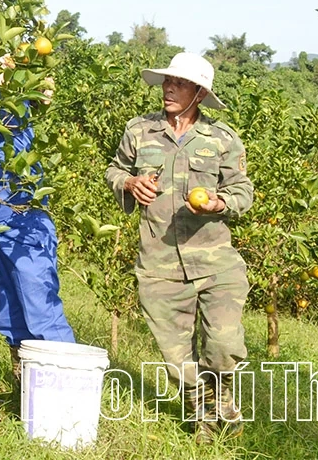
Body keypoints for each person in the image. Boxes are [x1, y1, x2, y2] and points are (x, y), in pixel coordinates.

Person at [104, 52, 253, 443]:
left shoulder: (221, 139)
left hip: (216, 260)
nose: (169, 88)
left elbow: (243, 190)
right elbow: (115, 168)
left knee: (223, 342)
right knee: (176, 358)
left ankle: (221, 393)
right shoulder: (140, 131)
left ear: (200, 94)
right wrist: (128, 184)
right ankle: (203, 420)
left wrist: (219, 203)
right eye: (167, 81)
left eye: (180, 83)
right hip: (159, 262)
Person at [0, 80, 75, 384]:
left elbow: (44, 87)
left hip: (22, 212)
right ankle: (27, 382)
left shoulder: (15, 85)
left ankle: (66, 387)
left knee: (38, 300)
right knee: (8, 300)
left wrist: (34, 85)